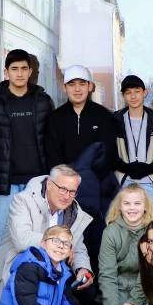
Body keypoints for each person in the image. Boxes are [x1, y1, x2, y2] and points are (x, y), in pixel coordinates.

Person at [0, 165, 95, 305]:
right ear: (49, 185)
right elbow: (22, 240)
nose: (67, 196)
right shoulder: (23, 201)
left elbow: (77, 246)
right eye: (63, 189)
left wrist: (83, 268)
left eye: (72, 192)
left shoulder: (73, 211)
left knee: (86, 292)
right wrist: (62, 245)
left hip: (51, 274)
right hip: (21, 272)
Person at [44, 65, 118, 266]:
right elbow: (53, 157)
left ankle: (95, 290)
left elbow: (106, 154)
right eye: (72, 84)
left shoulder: (103, 116)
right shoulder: (55, 118)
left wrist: (86, 180)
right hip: (64, 192)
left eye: (82, 84)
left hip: (97, 191)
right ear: (64, 87)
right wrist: (66, 184)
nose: (77, 89)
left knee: (97, 241)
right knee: (66, 239)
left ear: (90, 87)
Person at [0, 48, 54, 258]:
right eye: (14, 69)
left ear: (30, 71)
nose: (19, 73)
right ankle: (2, 287)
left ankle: (32, 285)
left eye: (24, 69)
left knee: (38, 234)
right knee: (4, 237)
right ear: (6, 72)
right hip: (4, 182)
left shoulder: (43, 101)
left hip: (37, 181)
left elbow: (50, 139)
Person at [98, 184, 153, 305]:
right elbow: (107, 273)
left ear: (145, 206)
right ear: (119, 207)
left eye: (137, 203)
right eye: (127, 203)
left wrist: (135, 301)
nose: (132, 208)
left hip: (147, 288)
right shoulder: (110, 232)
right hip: (120, 288)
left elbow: (152, 271)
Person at [113, 75, 153, 209]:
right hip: (124, 182)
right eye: (128, 93)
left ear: (145, 93)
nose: (133, 96)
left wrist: (149, 168)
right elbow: (110, 154)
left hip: (152, 183)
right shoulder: (115, 120)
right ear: (123, 96)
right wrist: (126, 168)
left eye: (137, 91)